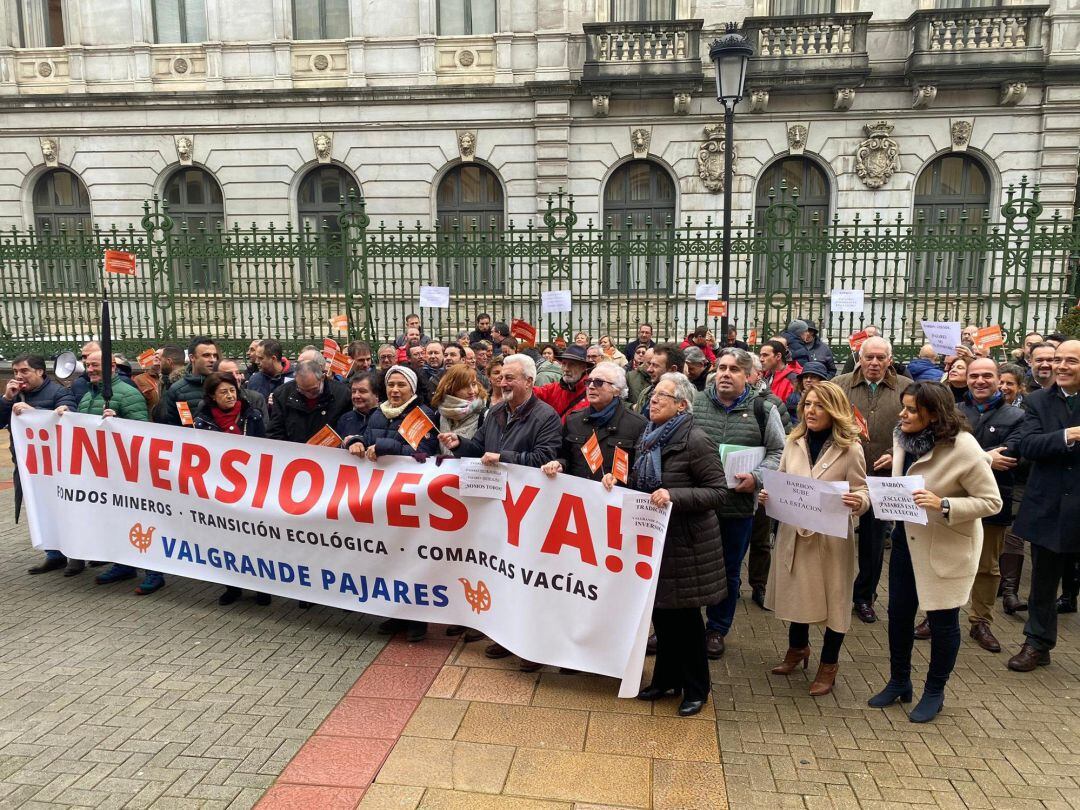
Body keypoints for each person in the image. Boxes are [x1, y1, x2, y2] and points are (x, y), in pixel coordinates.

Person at [868, 382, 1001, 723]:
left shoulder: (964, 448)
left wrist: (944, 504)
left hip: (946, 545)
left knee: (942, 620)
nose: (903, 414)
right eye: (904, 407)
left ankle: (934, 691)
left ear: (933, 414)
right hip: (905, 541)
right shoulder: (902, 436)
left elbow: (991, 502)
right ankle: (899, 682)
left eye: (911, 409)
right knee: (898, 614)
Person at [601, 372, 727, 716]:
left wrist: (675, 495)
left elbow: (717, 491)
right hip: (656, 541)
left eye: (662, 397)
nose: (653, 400)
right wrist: (617, 478)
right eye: (653, 395)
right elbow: (642, 479)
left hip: (686, 545)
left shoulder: (696, 440)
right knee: (662, 616)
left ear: (681, 406)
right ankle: (667, 680)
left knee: (686, 622)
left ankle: (697, 688)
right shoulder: (649, 435)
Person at [440, 354, 562, 671]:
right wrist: (458, 443)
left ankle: (533, 647)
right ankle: (505, 636)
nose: (503, 382)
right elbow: (479, 449)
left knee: (527, 578)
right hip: (496, 507)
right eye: (502, 377)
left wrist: (503, 457)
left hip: (528, 512)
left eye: (511, 378)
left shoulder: (546, 416)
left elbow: (545, 458)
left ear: (529, 382)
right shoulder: (495, 412)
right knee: (501, 573)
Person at [760, 381, 869, 696]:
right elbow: (781, 480)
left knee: (834, 600)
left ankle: (829, 665)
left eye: (819, 405)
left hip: (830, 539)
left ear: (834, 410)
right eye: (807, 404)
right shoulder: (794, 442)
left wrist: (858, 502)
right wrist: (769, 495)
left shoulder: (851, 448)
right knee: (796, 596)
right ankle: (797, 649)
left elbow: (862, 490)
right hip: (795, 532)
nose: (811, 411)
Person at [693, 348, 785, 658]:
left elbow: (778, 453)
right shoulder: (696, 402)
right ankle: (684, 626)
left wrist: (757, 478)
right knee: (688, 567)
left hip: (736, 507)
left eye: (734, 369)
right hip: (697, 505)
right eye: (722, 368)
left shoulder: (763, 409)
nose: (726, 374)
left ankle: (717, 629)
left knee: (728, 570)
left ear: (748, 376)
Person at [347, 364, 438, 642]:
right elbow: (368, 437)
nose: (395, 390)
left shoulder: (422, 415)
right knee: (388, 557)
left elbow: (424, 453)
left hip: (411, 499)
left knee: (411, 557)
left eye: (401, 385)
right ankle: (395, 613)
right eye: (391, 385)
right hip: (381, 498)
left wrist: (388, 448)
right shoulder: (378, 412)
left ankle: (417, 619)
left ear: (412, 388)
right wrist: (357, 441)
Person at [1006, 340, 1080, 672]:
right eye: (1058, 360)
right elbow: (1029, 446)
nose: (1061, 366)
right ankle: (1037, 642)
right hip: (1048, 504)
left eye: (1071, 361)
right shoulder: (1036, 401)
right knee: (1043, 582)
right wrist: (1069, 436)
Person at [62, 351, 163, 594]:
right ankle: (123, 564)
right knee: (114, 520)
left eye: (95, 365)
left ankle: (154, 572)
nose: (90, 369)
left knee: (139, 521)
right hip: (102, 472)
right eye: (88, 365)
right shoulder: (88, 395)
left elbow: (141, 431)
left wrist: (119, 422)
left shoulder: (128, 394)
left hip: (126, 473)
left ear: (112, 368)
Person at [941, 358, 1024, 654]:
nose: (979, 381)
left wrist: (964, 459)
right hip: (952, 498)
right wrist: (987, 458)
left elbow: (1011, 455)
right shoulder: (954, 412)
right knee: (946, 560)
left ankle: (980, 621)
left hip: (992, 500)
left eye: (986, 376)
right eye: (974, 375)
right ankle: (936, 615)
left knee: (987, 567)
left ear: (998, 378)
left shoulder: (1016, 415)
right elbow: (941, 451)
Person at [833, 336, 911, 624]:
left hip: (882, 478)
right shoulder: (840, 385)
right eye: (869, 358)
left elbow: (914, 428)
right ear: (859, 358)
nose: (875, 363)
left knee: (874, 541)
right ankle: (834, 590)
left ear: (890, 360)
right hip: (843, 474)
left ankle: (864, 596)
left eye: (881, 358)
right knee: (835, 536)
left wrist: (895, 452)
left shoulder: (904, 387)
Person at [192, 372, 271, 607]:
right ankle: (232, 586)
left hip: (251, 488)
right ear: (212, 397)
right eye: (223, 392)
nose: (229, 395)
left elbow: (265, 448)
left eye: (232, 390)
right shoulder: (203, 421)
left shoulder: (252, 415)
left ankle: (262, 587)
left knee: (255, 539)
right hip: (220, 489)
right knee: (227, 539)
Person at [1, 354, 78, 574]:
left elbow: (69, 419)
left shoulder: (59, 392)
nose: (18, 376)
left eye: (24, 371)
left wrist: (34, 414)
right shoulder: (14, 395)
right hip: (28, 466)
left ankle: (75, 555)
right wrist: (7, 399)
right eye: (15, 372)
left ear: (40, 372)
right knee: (40, 509)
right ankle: (53, 554)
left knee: (64, 509)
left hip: (56, 466)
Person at [542, 362, 645, 484]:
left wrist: (619, 480)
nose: (591, 386)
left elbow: (640, 473)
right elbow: (564, 456)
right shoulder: (573, 420)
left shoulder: (637, 424)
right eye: (588, 382)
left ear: (617, 390)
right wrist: (559, 464)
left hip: (612, 498)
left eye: (599, 382)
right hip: (578, 496)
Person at [432, 364, 487, 456]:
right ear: (451, 388)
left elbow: (486, 452)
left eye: (474, 384)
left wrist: (460, 444)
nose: (472, 391)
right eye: (464, 386)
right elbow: (435, 448)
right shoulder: (440, 414)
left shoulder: (485, 415)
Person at [533, 344, 592, 423]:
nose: (566, 369)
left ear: (583, 367)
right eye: (564, 364)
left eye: (572, 364)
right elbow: (533, 392)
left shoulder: (593, 392)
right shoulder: (555, 388)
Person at [635, 344, 684, 415]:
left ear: (673, 369)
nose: (649, 370)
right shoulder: (645, 393)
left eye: (655, 365)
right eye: (650, 364)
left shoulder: (687, 398)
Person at [337, 371, 381, 443]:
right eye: (354, 391)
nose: (356, 396)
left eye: (362, 391)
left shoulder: (386, 417)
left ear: (376, 395)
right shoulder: (345, 418)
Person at [761, 340, 801, 404]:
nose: (761, 359)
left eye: (765, 355)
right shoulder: (765, 376)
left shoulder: (793, 379)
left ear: (778, 356)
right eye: (761, 355)